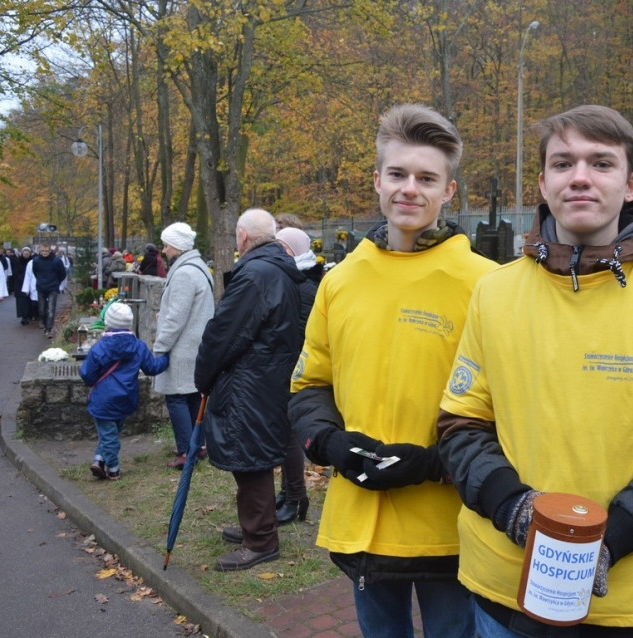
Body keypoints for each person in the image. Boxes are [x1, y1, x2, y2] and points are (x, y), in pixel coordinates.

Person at [435, 105, 633, 637]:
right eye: (563, 163)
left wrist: (612, 537)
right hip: (501, 582)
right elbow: (461, 424)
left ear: (631, 185)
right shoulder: (494, 292)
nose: (579, 177)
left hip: (631, 594)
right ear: (544, 182)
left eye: (601, 163)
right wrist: (511, 505)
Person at [288, 103, 496, 638]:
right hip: (360, 518)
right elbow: (311, 383)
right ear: (377, 181)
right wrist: (331, 445)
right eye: (398, 174)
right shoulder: (341, 280)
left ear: (448, 191)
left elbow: (513, 401)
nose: (410, 189)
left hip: (448, 521)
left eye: (427, 178)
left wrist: (436, 464)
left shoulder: (487, 284)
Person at [195, 208, 307, 572]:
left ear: (242, 236)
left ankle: (260, 541)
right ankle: (255, 528)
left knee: (250, 459)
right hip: (265, 378)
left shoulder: (256, 275)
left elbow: (222, 334)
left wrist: (203, 377)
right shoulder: (275, 269)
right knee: (251, 458)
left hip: (250, 383)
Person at [80, 302, 169, 481]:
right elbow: (151, 367)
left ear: (109, 322)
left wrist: (93, 381)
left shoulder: (100, 348)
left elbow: (87, 374)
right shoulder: (138, 346)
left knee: (108, 435)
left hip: (103, 400)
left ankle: (113, 469)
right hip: (126, 398)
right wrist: (167, 358)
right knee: (111, 433)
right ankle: (99, 460)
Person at [152, 223, 214, 470]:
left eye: (167, 245)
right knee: (190, 397)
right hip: (195, 343)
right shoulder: (198, 269)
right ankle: (196, 446)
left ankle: (186, 450)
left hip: (183, 346)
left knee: (177, 398)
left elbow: (176, 317)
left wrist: (161, 346)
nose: (164, 250)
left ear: (177, 246)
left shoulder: (185, 273)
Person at [271, 227, 320, 525]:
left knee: (288, 436)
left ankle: (296, 496)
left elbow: (299, 332)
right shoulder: (296, 277)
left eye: (282, 248)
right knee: (282, 434)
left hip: (294, 369)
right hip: (287, 364)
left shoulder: (304, 284)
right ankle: (289, 490)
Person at [30, 244, 66, 339]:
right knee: (41, 310)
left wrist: (56, 282)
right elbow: (35, 272)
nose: (44, 253)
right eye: (43, 251)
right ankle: (44, 322)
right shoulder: (36, 261)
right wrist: (40, 280)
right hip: (41, 287)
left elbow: (62, 273)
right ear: (40, 251)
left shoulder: (56, 261)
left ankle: (48, 329)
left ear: (50, 251)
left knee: (51, 310)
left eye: (46, 251)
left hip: (52, 288)